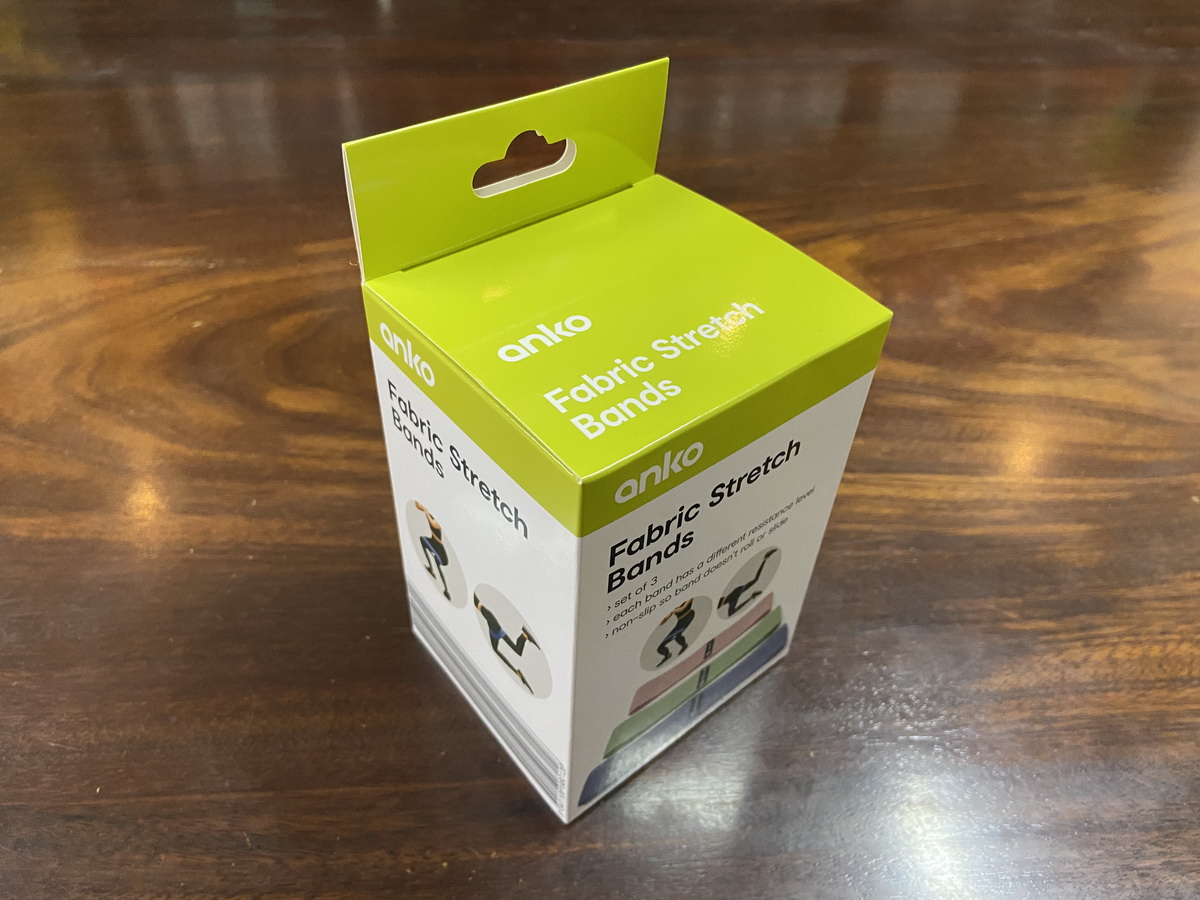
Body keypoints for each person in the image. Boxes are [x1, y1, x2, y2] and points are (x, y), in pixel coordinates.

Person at [474, 593, 541, 693]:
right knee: (500, 650)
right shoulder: (482, 609)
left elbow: (481, 607)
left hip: (494, 626)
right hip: (492, 630)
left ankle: (523, 636)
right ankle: (517, 671)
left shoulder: (483, 610)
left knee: (516, 651)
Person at [718, 547, 779, 616]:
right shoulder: (729, 601)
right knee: (755, 580)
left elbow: (729, 606)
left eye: (720, 606)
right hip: (737, 593)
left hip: (738, 591)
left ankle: (765, 558)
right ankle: (752, 597)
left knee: (755, 579)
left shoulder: (729, 600)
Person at [415, 502, 451, 601]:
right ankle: (431, 569)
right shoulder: (431, 515)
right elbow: (418, 506)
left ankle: (446, 590)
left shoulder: (436, 520)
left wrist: (426, 511)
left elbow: (434, 524)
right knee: (423, 539)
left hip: (439, 548)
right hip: (433, 543)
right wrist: (424, 508)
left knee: (438, 563)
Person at [655, 597, 696, 667]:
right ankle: (668, 653)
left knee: (677, 635)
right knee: (675, 637)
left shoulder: (688, 598)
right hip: (680, 622)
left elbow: (683, 608)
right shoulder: (673, 605)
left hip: (687, 617)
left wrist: (671, 611)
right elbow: (664, 620)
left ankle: (683, 645)